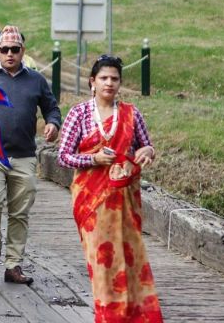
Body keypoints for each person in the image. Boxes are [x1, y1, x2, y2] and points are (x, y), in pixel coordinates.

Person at [58, 56, 162, 322]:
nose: (109, 83)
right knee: (102, 259)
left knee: (129, 254)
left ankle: (136, 313)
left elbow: (145, 145)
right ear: (92, 82)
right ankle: (109, 314)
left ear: (120, 83)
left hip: (123, 197)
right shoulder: (79, 113)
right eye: (104, 78)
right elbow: (64, 156)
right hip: (91, 200)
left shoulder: (130, 113)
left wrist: (146, 152)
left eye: (114, 78)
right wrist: (93, 159)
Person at [0, 25, 61, 284]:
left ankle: (13, 264)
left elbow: (51, 107)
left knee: (19, 212)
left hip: (24, 154)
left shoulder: (35, 80)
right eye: (4, 49)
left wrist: (53, 123)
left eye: (15, 49)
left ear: (23, 51)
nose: (9, 54)